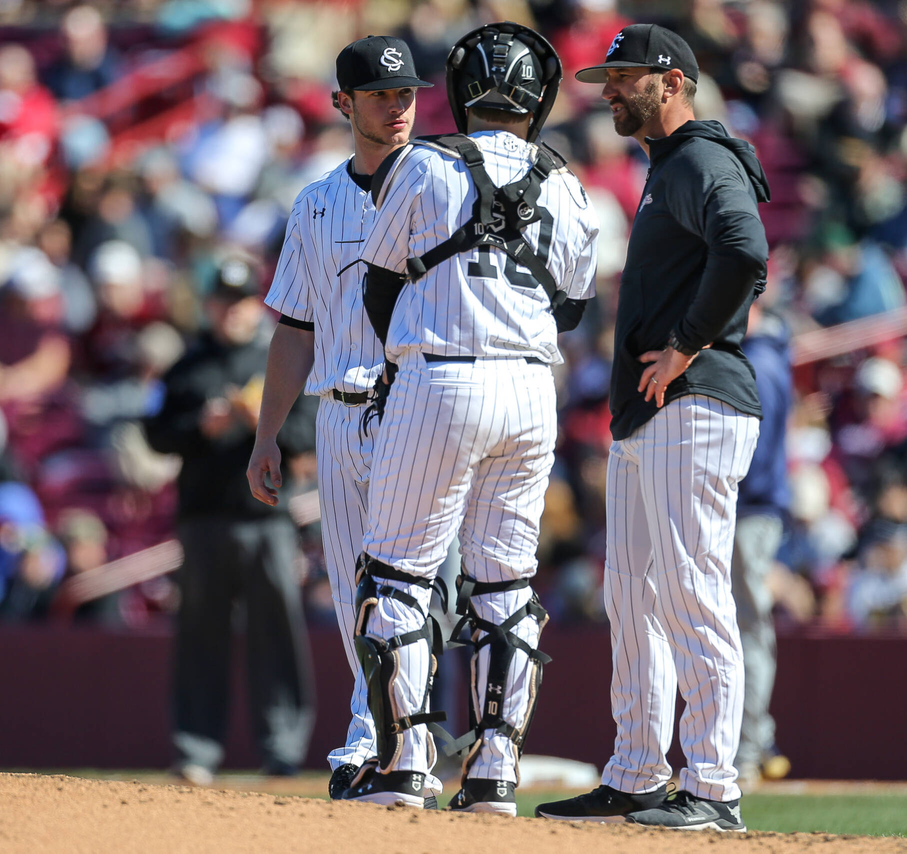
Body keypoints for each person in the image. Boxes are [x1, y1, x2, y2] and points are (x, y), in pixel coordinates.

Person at [340, 22, 599, 814]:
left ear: (459, 91)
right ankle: (494, 773)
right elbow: (577, 306)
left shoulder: (423, 162)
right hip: (529, 389)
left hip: (440, 374)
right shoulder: (565, 180)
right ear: (540, 96)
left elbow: (378, 281)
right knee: (506, 585)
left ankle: (407, 761)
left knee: (398, 575)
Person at [537, 24, 769, 831]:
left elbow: (745, 251)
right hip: (655, 413)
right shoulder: (672, 165)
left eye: (622, 77)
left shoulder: (703, 156)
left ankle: (712, 786)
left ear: (669, 81)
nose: (607, 90)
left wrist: (684, 346)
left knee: (690, 592)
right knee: (633, 596)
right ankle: (638, 770)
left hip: (696, 400)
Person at [244, 35, 437, 805]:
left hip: (418, 408)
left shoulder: (443, 186)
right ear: (342, 102)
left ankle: (396, 745)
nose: (397, 107)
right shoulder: (316, 201)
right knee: (356, 585)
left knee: (406, 586)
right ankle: (376, 737)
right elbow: (294, 327)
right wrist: (267, 433)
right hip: (338, 408)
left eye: (406, 94)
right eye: (381, 94)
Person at [144, 259, 318, 785]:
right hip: (204, 519)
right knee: (201, 637)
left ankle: (282, 749)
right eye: (223, 300)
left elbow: (310, 433)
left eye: (241, 301)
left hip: (267, 518)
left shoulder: (281, 357)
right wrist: (200, 424)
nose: (232, 311)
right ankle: (195, 749)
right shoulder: (188, 365)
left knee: (277, 636)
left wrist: (258, 422)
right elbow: (156, 433)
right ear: (209, 304)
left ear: (255, 304)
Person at [731, 302, 793, 787]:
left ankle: (748, 747)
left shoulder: (760, 361)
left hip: (749, 510)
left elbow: (753, 452)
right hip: (749, 509)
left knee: (746, 626)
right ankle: (754, 738)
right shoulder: (760, 355)